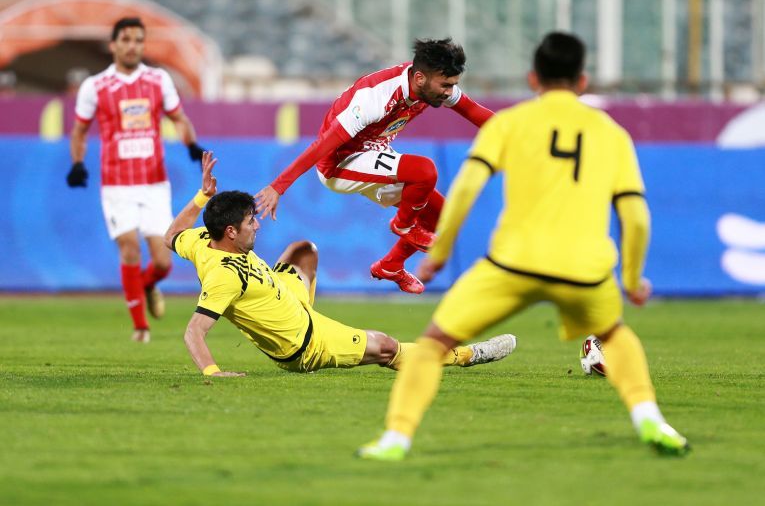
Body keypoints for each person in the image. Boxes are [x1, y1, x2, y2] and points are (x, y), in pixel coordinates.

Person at [357, 32, 690, 461]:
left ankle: (396, 438)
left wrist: (437, 255)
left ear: (533, 79)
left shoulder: (511, 124)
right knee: (615, 335)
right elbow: (636, 215)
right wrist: (631, 277)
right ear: (583, 81)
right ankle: (651, 419)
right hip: (584, 267)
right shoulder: (611, 135)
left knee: (435, 343)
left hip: (513, 264)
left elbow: (465, 190)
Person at [165, 151, 517, 377]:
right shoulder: (223, 277)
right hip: (305, 343)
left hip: (285, 298)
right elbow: (194, 331)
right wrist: (213, 372)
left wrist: (202, 197)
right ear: (230, 231)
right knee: (386, 346)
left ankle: (295, 304)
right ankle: (466, 355)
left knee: (303, 250)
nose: (257, 225)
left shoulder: (201, 240)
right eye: (249, 222)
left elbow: (172, 235)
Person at [255, 38, 493, 295]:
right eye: (446, 85)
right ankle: (404, 225)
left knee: (442, 217)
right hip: (339, 164)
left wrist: (517, 132)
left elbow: (474, 111)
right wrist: (279, 186)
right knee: (424, 171)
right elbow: (322, 146)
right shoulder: (376, 98)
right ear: (420, 78)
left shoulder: (430, 83)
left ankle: (391, 265)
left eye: (453, 85)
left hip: (373, 152)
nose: (449, 92)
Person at [68, 17, 205, 343]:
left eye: (138, 40)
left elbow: (178, 118)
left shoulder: (158, 80)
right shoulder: (95, 86)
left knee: (163, 260)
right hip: (116, 184)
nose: (132, 46)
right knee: (129, 248)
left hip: (154, 183)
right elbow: (80, 131)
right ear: (113, 44)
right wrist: (77, 163)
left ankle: (146, 284)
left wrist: (191, 144)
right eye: (126, 39)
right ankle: (140, 327)